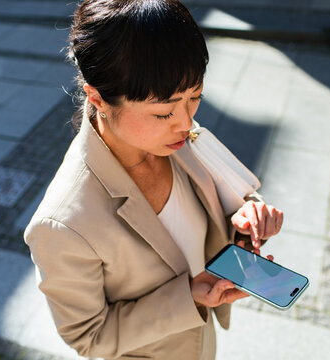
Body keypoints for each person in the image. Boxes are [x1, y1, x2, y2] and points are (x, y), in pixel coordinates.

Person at [24, 0, 284, 359]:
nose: (185, 122)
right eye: (163, 112)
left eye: (195, 97)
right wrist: (188, 297)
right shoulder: (64, 224)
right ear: (97, 97)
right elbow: (88, 336)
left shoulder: (185, 138)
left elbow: (233, 198)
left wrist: (248, 219)